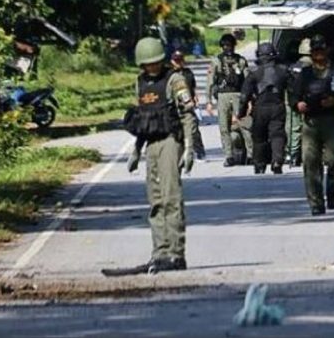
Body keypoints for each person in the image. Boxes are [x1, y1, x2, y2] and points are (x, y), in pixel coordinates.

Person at [104, 37, 195, 276]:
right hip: (151, 144)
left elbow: (187, 115)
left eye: (155, 62)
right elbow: (143, 118)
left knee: (171, 197)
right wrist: (136, 150)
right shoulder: (141, 83)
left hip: (170, 141)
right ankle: (159, 253)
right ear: (141, 64)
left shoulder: (174, 80)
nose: (152, 67)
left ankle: (176, 254)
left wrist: (189, 147)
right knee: (155, 200)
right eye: (147, 64)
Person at [290, 35, 334, 215]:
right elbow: (293, 94)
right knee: (310, 162)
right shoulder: (305, 74)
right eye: (315, 50)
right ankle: (316, 202)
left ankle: (332, 188)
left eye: (321, 50)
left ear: (327, 50)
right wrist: (297, 105)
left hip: (331, 121)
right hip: (311, 122)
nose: (318, 54)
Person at [238, 42, 290, 174]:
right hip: (277, 106)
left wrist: (241, 113)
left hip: (260, 107)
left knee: (259, 137)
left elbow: (244, 96)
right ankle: (277, 160)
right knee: (277, 134)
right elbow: (294, 89)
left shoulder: (254, 73)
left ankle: (260, 164)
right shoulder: (283, 71)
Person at [206, 33, 253, 166]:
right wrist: (209, 101)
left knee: (244, 125)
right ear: (222, 47)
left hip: (238, 95)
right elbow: (210, 82)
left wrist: (249, 99)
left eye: (230, 45)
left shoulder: (241, 61)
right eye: (225, 45)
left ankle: (250, 154)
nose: (228, 48)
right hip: (223, 96)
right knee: (224, 127)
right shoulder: (216, 61)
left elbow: (248, 81)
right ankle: (229, 155)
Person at [171, 50, 205, 160]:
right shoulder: (169, 74)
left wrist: (195, 99)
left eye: (180, 60)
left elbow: (192, 87)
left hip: (188, 104)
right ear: (172, 61)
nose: (178, 63)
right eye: (176, 61)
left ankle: (199, 152)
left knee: (193, 129)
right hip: (174, 106)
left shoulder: (188, 73)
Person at [285, 38, 312, 167]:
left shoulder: (293, 67)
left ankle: (293, 154)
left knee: (293, 128)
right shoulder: (315, 67)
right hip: (310, 101)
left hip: (293, 101)